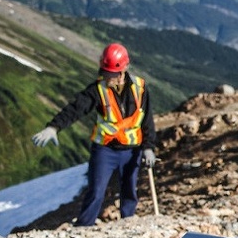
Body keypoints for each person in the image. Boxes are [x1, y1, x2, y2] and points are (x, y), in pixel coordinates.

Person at [32, 43, 156, 226]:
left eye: (111, 74)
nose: (107, 77)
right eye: (105, 72)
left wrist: (148, 148)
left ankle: (128, 224)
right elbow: (75, 109)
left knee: (129, 189)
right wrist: (54, 127)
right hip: (105, 150)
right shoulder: (98, 90)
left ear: (123, 70)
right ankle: (84, 226)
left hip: (132, 150)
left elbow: (147, 121)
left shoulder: (140, 88)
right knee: (96, 190)